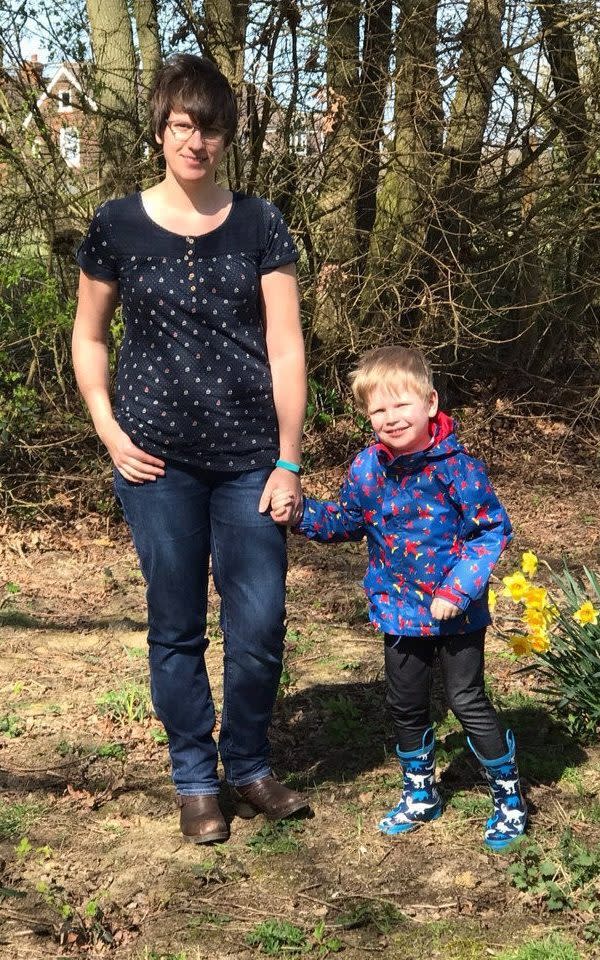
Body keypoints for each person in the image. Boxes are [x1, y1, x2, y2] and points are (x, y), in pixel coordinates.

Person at [72, 53, 309, 844]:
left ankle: (247, 764)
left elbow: (285, 346)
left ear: (226, 136)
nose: (194, 140)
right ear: (160, 129)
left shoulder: (260, 222)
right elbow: (90, 336)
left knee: (261, 621)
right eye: (182, 124)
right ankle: (195, 781)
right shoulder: (116, 224)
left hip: (250, 460)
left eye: (208, 127)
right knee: (175, 624)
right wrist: (109, 430)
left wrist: (288, 458)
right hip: (155, 463)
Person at [271, 346, 527, 850]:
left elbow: (491, 530)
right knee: (406, 704)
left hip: (457, 614)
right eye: (377, 410)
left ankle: (509, 796)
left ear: (429, 403)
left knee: (466, 700)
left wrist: (457, 589)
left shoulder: (458, 469)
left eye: (400, 405)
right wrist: (300, 514)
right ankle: (420, 792)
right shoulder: (367, 468)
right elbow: (347, 520)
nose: (390, 418)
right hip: (398, 611)